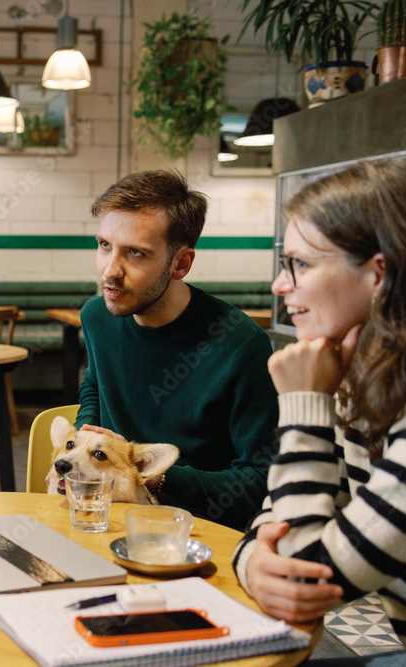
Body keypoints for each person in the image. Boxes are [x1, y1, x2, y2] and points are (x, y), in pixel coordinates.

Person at [233, 158, 406, 667]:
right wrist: (253, 563)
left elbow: (309, 571)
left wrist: (302, 406)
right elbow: (285, 518)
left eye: (300, 263)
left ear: (378, 274)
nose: (279, 284)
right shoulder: (367, 384)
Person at [76, 170, 279, 530]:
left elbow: (262, 482)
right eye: (105, 245)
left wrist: (154, 475)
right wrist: (83, 446)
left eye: (135, 253)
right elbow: (94, 384)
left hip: (198, 532)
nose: (110, 271)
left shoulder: (241, 346)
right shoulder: (97, 317)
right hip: (114, 517)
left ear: (181, 263)